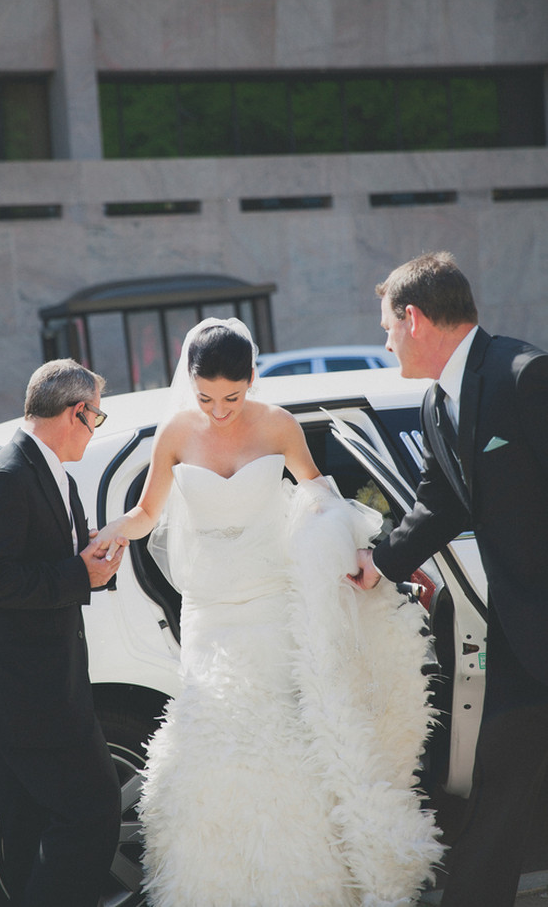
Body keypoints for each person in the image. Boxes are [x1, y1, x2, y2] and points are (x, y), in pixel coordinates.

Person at [97, 317, 442, 907]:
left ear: (252, 380)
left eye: (232, 397)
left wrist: (357, 549)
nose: (220, 409)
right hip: (208, 613)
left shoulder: (279, 425)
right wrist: (111, 535)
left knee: (284, 740)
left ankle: (302, 882)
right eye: (206, 397)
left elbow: (317, 494)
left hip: (268, 602)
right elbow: (148, 514)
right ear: (191, 384)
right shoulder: (175, 432)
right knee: (215, 743)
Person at [354, 251, 548, 907]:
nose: (383, 342)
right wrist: (376, 565)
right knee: (501, 778)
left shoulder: (524, 373)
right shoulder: (437, 400)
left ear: (413, 318)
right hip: (519, 641)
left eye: (386, 327)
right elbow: (439, 501)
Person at [0, 359, 127, 907]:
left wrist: (89, 554)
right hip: (26, 694)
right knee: (93, 812)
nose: (95, 426)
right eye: (96, 416)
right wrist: (81, 573)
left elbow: (44, 557)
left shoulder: (52, 470)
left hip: (43, 685)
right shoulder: (4, 477)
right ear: (77, 412)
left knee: (30, 827)